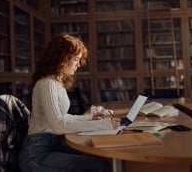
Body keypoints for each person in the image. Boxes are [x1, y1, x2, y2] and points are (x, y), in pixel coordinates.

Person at [18, 34, 121, 172]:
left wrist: (90, 118)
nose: (78, 65)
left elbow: (63, 117)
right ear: (63, 58)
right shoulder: (47, 83)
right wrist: (101, 124)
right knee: (97, 166)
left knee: (96, 156)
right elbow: (58, 125)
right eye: (76, 60)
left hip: (52, 144)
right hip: (37, 153)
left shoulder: (57, 83)